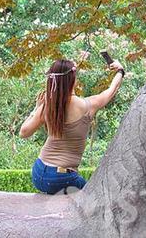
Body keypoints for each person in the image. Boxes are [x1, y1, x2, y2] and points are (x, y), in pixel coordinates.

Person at [19, 58, 125, 195]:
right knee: (96, 198)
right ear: (73, 79)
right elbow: (111, 90)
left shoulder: (48, 106)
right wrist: (120, 71)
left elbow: (23, 132)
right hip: (62, 179)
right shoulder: (87, 106)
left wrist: (36, 108)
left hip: (38, 173)